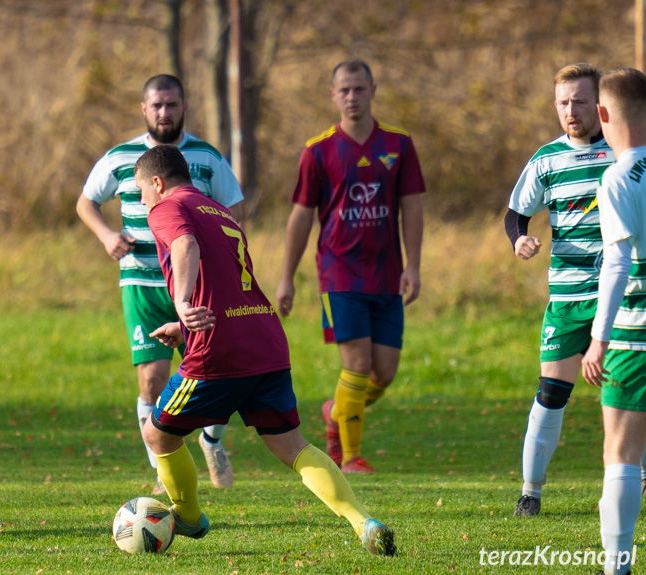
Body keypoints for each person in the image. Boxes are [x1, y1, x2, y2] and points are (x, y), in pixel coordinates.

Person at [135, 144, 396, 556]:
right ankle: (363, 522)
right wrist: (183, 323)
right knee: (293, 446)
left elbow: (184, 246)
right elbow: (222, 279)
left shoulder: (167, 207)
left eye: (140, 191)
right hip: (264, 337)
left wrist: (183, 305)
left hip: (219, 350)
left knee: (157, 435)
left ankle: (188, 518)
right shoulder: (217, 210)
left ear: (157, 182)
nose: (141, 201)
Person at [77, 74, 242, 493]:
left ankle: (211, 439)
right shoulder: (120, 157)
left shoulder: (205, 157)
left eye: (171, 104)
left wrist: (221, 255)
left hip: (199, 283)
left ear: (184, 106)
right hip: (143, 281)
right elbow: (86, 201)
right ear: (144, 108)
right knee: (152, 381)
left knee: (219, 374)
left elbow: (234, 208)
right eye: (156, 105)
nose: (164, 112)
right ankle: (163, 472)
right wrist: (107, 236)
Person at [275, 59, 425, 475]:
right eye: (344, 90)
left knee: (384, 373)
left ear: (373, 89)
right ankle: (351, 456)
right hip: (339, 274)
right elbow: (301, 215)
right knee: (357, 365)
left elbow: (412, 207)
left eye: (359, 89)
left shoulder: (399, 145)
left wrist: (414, 265)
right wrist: (286, 277)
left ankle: (335, 411)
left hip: (387, 274)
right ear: (333, 95)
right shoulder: (318, 151)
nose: (352, 97)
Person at [504, 63, 615, 517]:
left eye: (580, 101)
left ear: (599, 104)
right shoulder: (546, 160)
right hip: (568, 299)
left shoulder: (626, 153)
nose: (571, 110)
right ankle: (530, 492)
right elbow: (516, 213)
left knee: (632, 391)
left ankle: (640, 479)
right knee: (551, 394)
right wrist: (519, 240)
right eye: (564, 102)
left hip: (625, 294)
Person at [582, 67, 646, 575]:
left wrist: (599, 338)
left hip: (636, 334)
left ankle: (616, 566)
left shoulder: (618, 176)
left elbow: (618, 262)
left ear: (602, 115)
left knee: (621, 452)